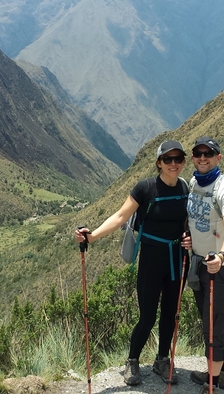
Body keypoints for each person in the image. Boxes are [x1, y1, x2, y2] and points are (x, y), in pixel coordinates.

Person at [74, 140, 190, 386]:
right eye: (167, 159)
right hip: (151, 259)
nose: (173, 164)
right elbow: (120, 216)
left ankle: (162, 360)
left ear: (183, 162)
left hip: (178, 258)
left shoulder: (185, 188)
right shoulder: (145, 188)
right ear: (158, 163)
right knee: (147, 316)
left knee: (171, 313)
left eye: (177, 159)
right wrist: (92, 236)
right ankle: (133, 361)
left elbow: (196, 220)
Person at [183, 136, 224, 393]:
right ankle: (222, 372)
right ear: (194, 157)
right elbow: (196, 218)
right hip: (199, 264)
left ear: (219, 157)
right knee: (210, 323)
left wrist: (221, 255)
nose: (203, 158)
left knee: (215, 325)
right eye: (198, 154)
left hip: (221, 268)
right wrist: (189, 238)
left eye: (209, 154)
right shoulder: (195, 182)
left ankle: (213, 384)